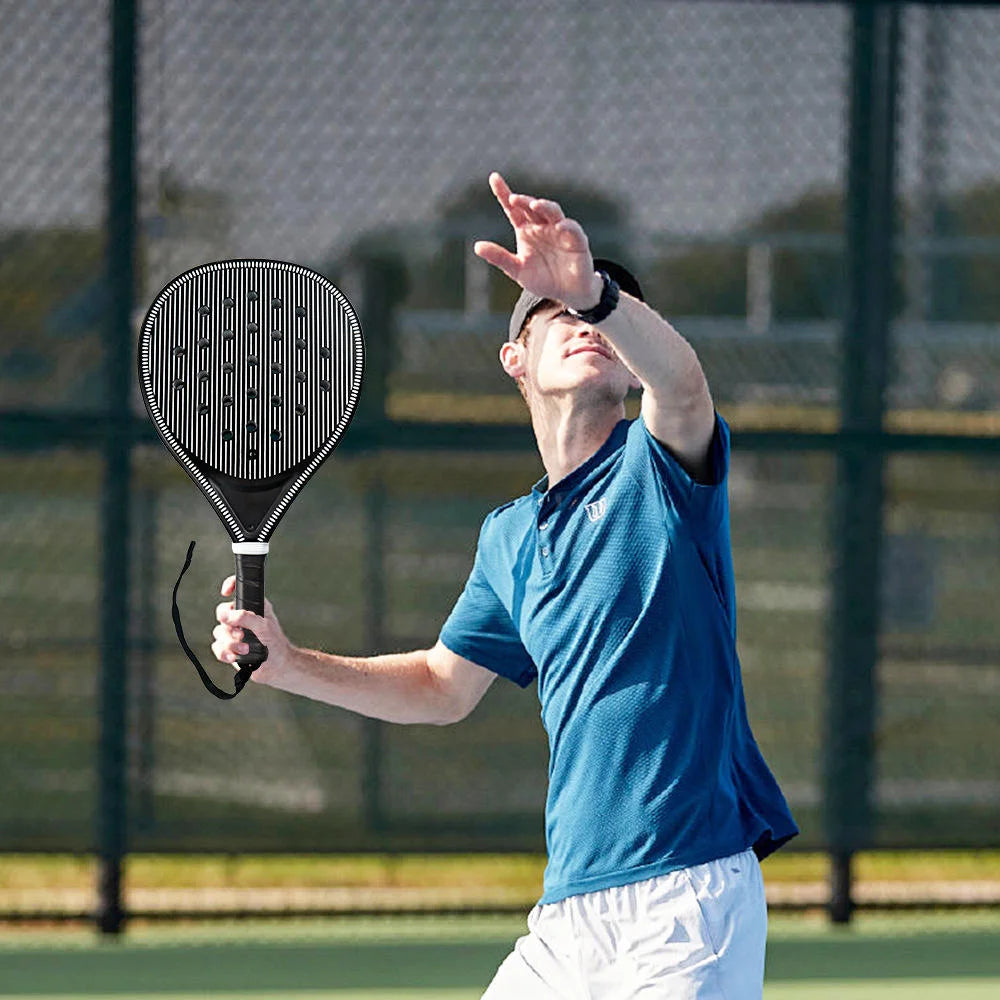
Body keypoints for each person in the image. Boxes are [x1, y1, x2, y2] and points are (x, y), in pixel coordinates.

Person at [211, 172, 798, 998]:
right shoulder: (509, 538)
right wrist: (287, 661)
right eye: (556, 315)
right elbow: (441, 688)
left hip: (687, 897)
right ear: (514, 360)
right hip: (568, 919)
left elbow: (686, 386)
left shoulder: (660, 470)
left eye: (604, 320)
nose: (587, 326)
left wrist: (592, 292)